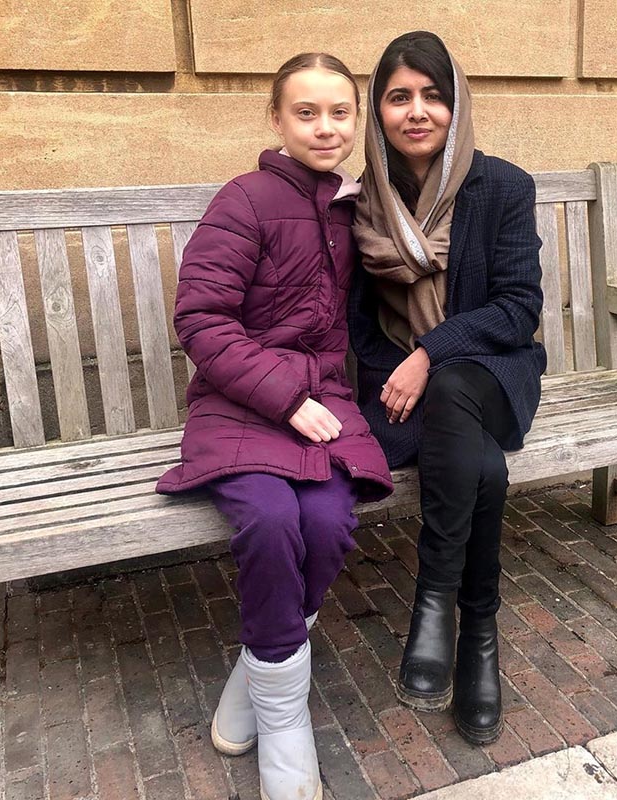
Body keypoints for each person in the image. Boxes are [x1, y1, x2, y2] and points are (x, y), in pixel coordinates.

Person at [157, 52, 392, 800]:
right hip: (240, 404)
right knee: (266, 519)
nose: (325, 128)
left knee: (326, 523)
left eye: (339, 112)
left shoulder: (355, 208)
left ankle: (259, 672)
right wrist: (285, 398)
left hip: (323, 404)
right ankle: (286, 724)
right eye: (306, 112)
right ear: (276, 120)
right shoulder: (247, 200)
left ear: (356, 120)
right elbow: (199, 317)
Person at [349, 31, 545, 745]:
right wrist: (402, 366)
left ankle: (433, 599)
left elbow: (518, 308)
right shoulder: (361, 203)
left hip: (494, 373)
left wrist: (429, 351)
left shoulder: (502, 187)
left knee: (457, 383)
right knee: (481, 463)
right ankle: (479, 633)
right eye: (399, 96)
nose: (417, 110)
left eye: (433, 94)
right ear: (378, 112)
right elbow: (356, 328)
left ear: (455, 103)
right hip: (405, 389)